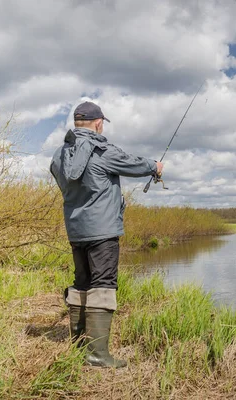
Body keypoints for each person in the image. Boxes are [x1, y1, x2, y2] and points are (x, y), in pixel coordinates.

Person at [50, 101, 162, 368]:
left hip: (75, 230)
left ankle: (79, 348)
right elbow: (133, 164)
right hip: (102, 230)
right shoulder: (102, 150)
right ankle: (98, 355)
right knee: (103, 284)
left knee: (81, 283)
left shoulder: (59, 154)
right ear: (98, 123)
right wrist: (154, 166)